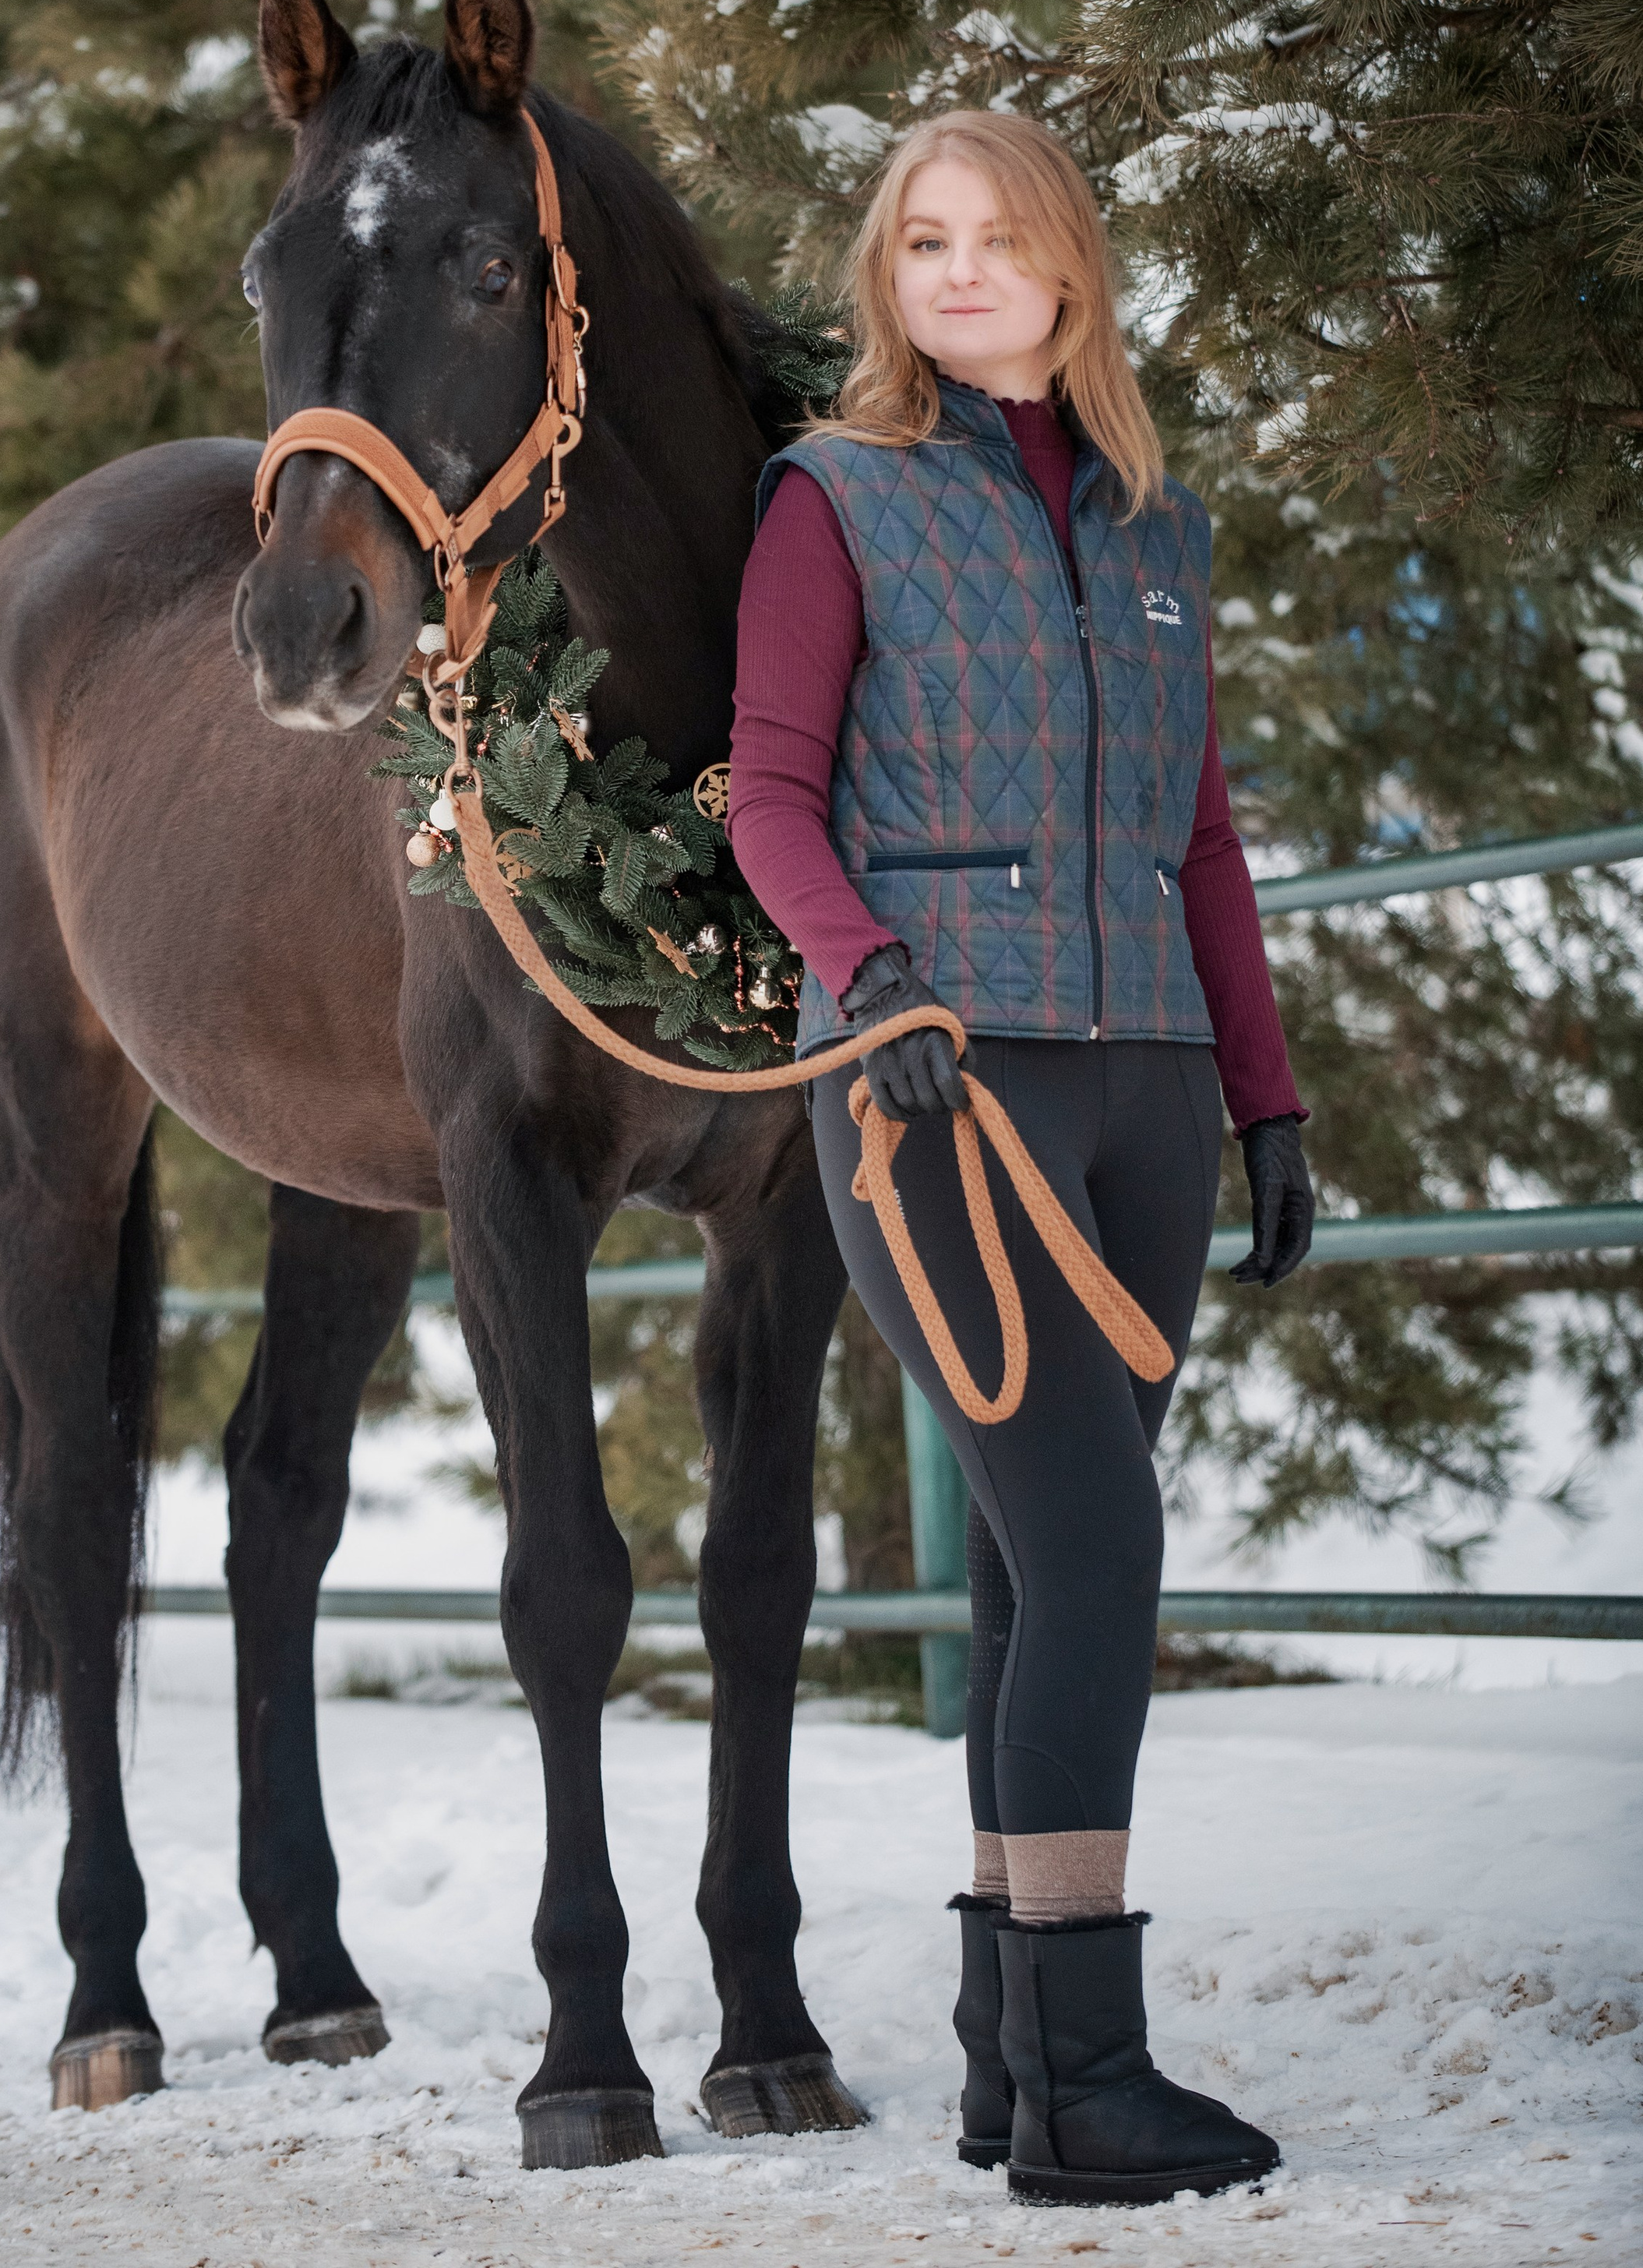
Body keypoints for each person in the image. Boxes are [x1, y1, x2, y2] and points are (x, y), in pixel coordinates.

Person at [728, 108, 1316, 2210]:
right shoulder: (839, 501)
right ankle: (1091, 2077)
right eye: (922, 242)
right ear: (887, 277)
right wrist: (872, 984)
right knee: (1098, 1552)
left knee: (1021, 1564)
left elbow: (1207, 839)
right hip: (937, 1086)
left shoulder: (1160, 527)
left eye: (1001, 239)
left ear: (1074, 267)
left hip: (1147, 1079)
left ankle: (1005, 2060)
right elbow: (771, 796)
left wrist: (1265, 1096)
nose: (962, 273)